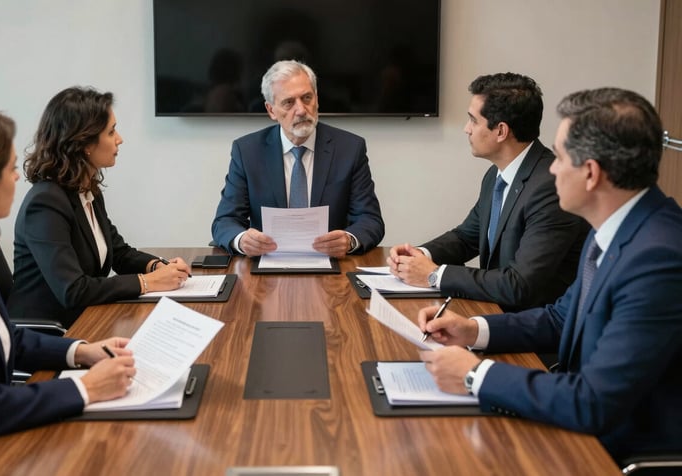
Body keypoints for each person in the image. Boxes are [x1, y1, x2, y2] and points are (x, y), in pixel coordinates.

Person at [418, 88, 682, 464]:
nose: (552, 168)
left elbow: (593, 402)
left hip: (615, 450)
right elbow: (561, 317)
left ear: (591, 174)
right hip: (576, 419)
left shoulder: (658, 258)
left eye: (559, 157)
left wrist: (476, 375)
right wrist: (473, 330)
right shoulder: (615, 224)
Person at [0, 105, 136, 473]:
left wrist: (82, 352)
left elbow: (6, 339)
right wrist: (86, 389)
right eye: (12, 168)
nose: (19, 178)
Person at [388, 73, 588, 311]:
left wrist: (434, 275)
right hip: (495, 312)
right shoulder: (496, 175)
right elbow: (466, 237)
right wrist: (419, 254)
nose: (466, 129)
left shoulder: (550, 188)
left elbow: (519, 284)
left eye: (473, 120)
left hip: (533, 331)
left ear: (501, 131)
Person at [8, 87, 190, 328]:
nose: (120, 139)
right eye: (111, 131)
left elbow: (119, 253)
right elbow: (73, 290)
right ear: (85, 142)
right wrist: (149, 282)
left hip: (87, 319)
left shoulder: (86, 189)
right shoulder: (45, 203)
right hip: (51, 332)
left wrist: (157, 266)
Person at [211, 60, 385, 258]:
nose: (301, 110)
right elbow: (224, 221)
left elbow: (370, 220)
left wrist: (349, 240)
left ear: (317, 100)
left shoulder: (349, 149)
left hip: (333, 265)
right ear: (271, 110)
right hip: (266, 265)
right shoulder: (247, 151)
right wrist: (242, 240)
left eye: (307, 98)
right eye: (288, 102)